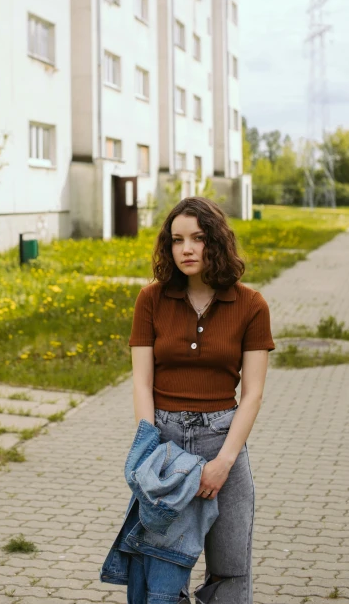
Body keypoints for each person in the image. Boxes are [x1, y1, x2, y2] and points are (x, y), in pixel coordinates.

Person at [129, 196, 275, 604]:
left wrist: (223, 463)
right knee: (161, 573)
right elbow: (142, 383)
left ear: (217, 242)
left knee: (230, 572)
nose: (187, 249)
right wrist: (150, 452)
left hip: (222, 442)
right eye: (177, 240)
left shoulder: (250, 304)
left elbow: (253, 393)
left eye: (198, 238)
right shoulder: (151, 300)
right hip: (165, 442)